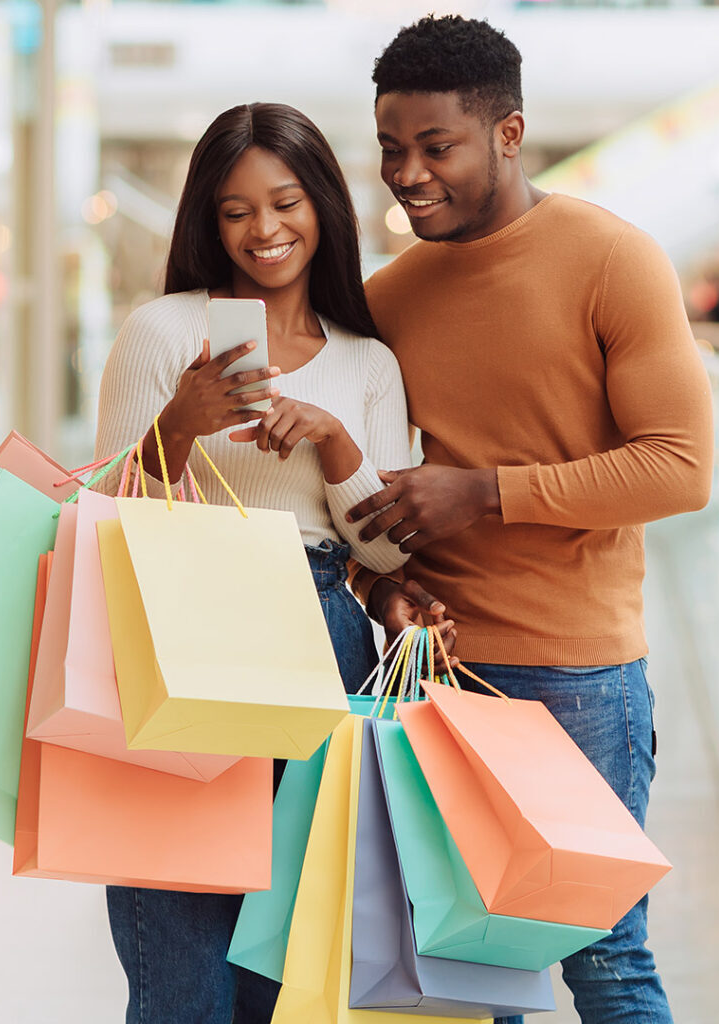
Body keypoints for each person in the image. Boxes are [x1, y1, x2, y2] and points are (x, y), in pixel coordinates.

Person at [345, 16, 713, 1024]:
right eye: (391, 147)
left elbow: (680, 469)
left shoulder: (612, 259)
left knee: (605, 957)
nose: (407, 174)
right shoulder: (388, 297)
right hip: (437, 672)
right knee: (472, 968)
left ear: (508, 134)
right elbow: (343, 491)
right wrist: (380, 585)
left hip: (579, 675)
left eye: (436, 146)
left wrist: (487, 489)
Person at [94, 101, 435, 1024]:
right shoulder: (163, 332)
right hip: (180, 630)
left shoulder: (366, 359)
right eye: (236, 210)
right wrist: (179, 425)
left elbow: (381, 547)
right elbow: (107, 515)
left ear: (322, 205)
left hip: (324, 635)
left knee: (294, 947)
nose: (264, 231)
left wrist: (332, 441)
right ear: (209, 219)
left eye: (285, 203)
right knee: (177, 942)